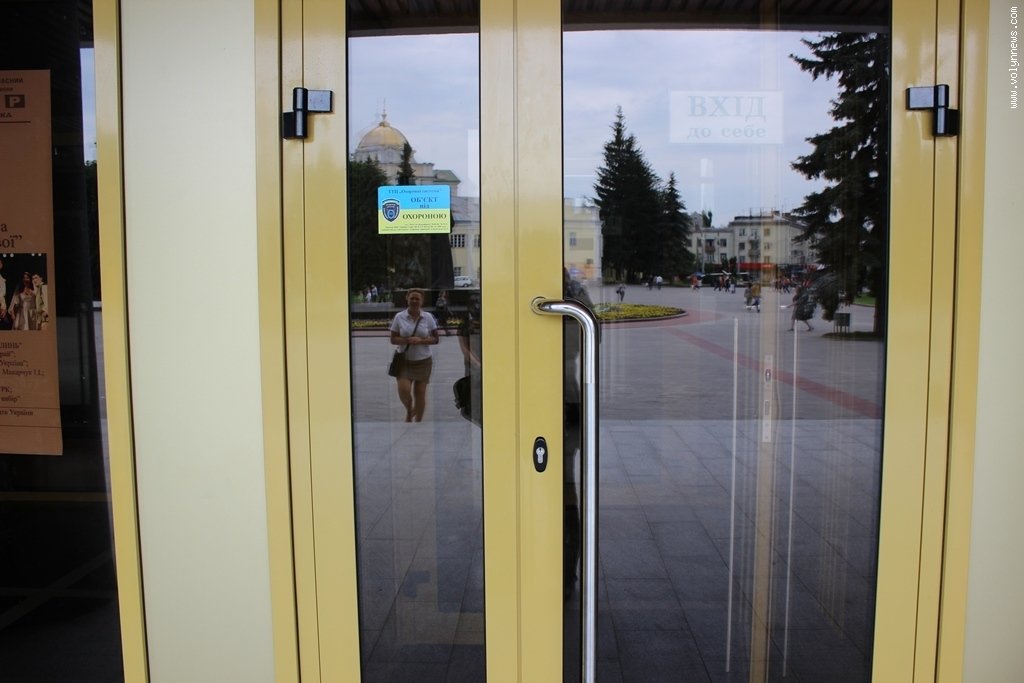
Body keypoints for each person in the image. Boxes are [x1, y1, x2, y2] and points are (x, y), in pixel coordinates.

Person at [389, 288, 439, 422]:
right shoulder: (399, 317)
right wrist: (407, 340)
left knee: (420, 393)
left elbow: (435, 339)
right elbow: (393, 339)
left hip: (423, 360)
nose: (415, 301)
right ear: (407, 299)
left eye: (418, 299)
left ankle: (418, 423)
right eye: (412, 298)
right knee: (403, 391)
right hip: (404, 360)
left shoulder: (428, 317)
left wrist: (421, 340)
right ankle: (410, 410)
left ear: (422, 301)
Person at [456, 294, 482, 425]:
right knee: (475, 386)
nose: (477, 306)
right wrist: (477, 363)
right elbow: (465, 348)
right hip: (474, 364)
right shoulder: (466, 324)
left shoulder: (488, 320)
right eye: (474, 303)